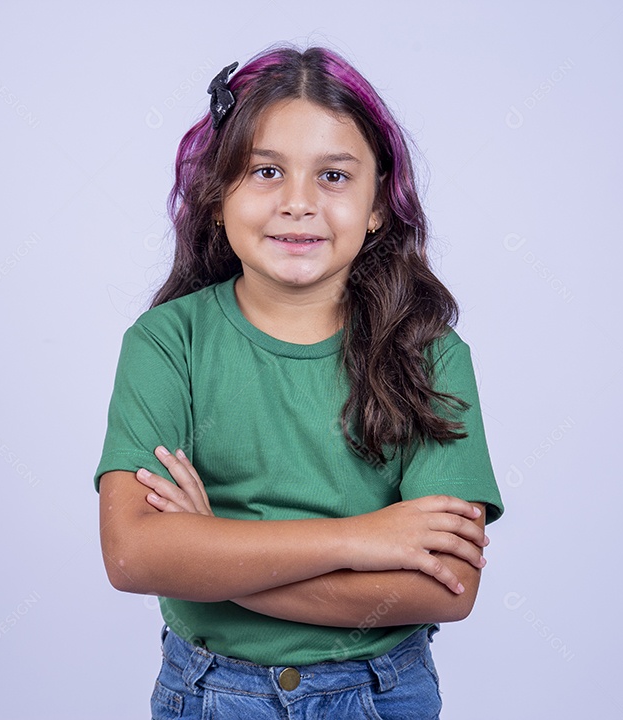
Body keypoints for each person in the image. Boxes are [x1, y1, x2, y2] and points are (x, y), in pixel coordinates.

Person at [94, 43, 505, 720]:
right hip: (210, 693)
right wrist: (363, 538)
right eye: (265, 171)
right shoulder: (168, 343)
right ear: (218, 192)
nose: (298, 203)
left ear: (379, 202)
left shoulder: (432, 355)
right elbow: (136, 555)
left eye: (335, 177)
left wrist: (214, 558)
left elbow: (448, 585)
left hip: (380, 694)